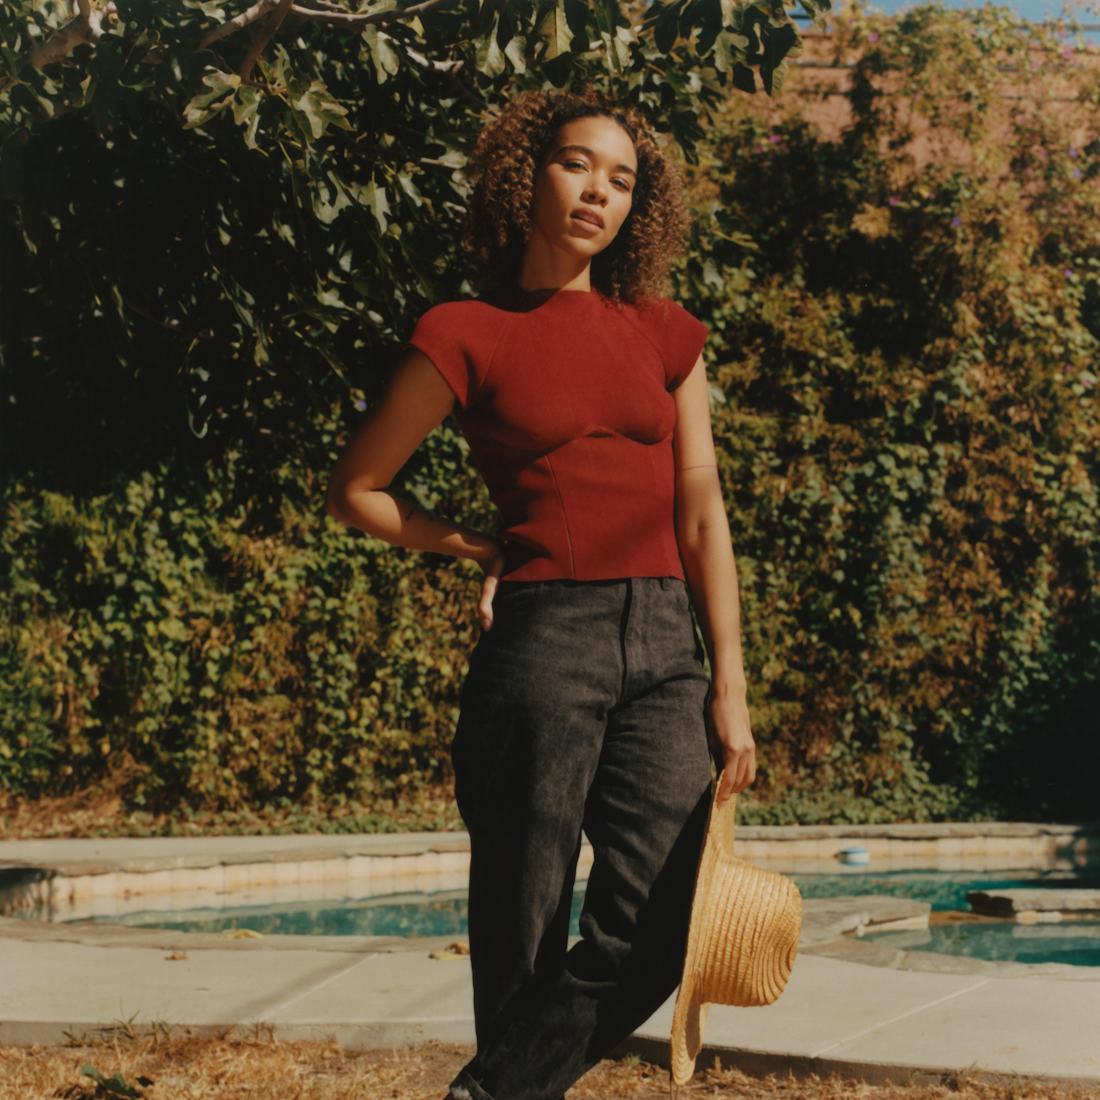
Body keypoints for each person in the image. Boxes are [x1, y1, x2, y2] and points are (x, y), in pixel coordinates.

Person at [326, 86, 756, 1100]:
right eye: (575, 164)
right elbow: (358, 490)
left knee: (663, 914)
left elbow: (702, 512)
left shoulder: (663, 331)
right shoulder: (463, 330)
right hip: (542, 635)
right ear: (526, 173)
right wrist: (475, 543)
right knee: (520, 913)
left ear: (634, 207)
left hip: (662, 639)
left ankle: (488, 1091)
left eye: (619, 179)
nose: (594, 192)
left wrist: (727, 682)